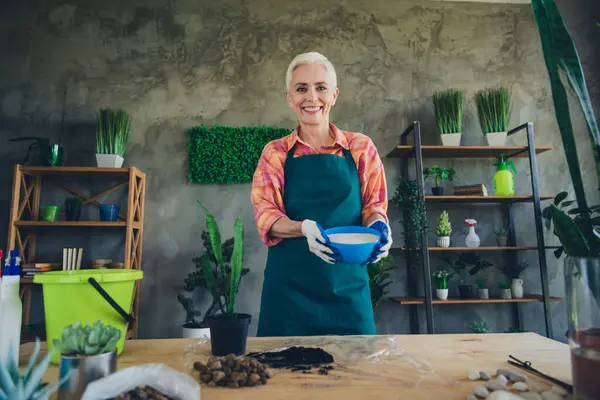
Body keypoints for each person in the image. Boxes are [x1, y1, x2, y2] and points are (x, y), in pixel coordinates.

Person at [250, 52, 393, 337]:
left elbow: (374, 206)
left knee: (355, 375)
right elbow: (266, 214)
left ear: (334, 94)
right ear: (289, 97)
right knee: (282, 377)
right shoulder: (275, 153)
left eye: (320, 87)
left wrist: (379, 226)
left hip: (348, 293)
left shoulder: (360, 147)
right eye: (301, 89)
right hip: (288, 295)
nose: (311, 97)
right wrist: (303, 228)